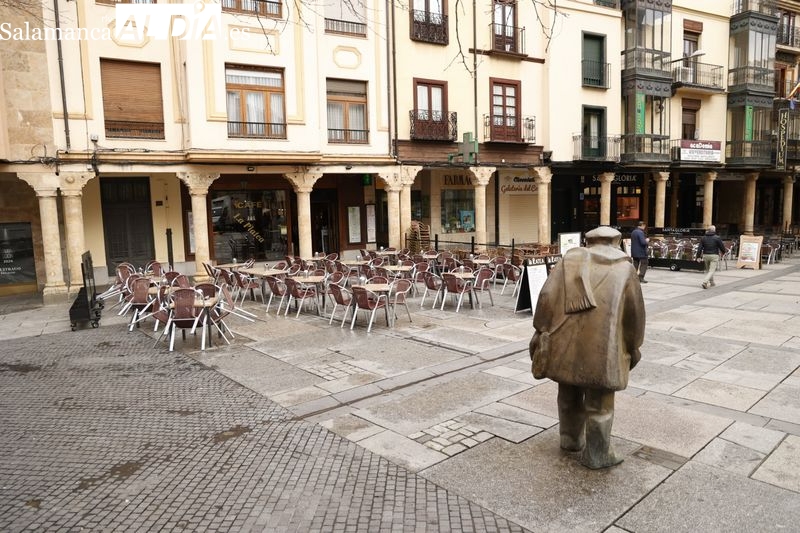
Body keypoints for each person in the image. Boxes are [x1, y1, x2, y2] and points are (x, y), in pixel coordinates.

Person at [529, 226, 645, 469]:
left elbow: (546, 298)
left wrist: (540, 330)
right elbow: (634, 314)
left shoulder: (568, 263)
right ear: (617, 241)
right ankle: (597, 454)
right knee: (600, 403)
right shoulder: (625, 269)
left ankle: (570, 439)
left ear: (588, 241)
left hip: (566, 343)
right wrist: (634, 345)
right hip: (604, 347)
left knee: (568, 394)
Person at [696, 225, 727, 289]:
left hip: (705, 255)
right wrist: (723, 252)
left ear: (708, 230)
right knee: (712, 270)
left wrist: (698, 257)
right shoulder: (717, 237)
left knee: (708, 270)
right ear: (714, 230)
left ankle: (712, 282)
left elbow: (699, 248)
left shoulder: (703, 238)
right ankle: (705, 282)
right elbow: (722, 247)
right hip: (714, 256)